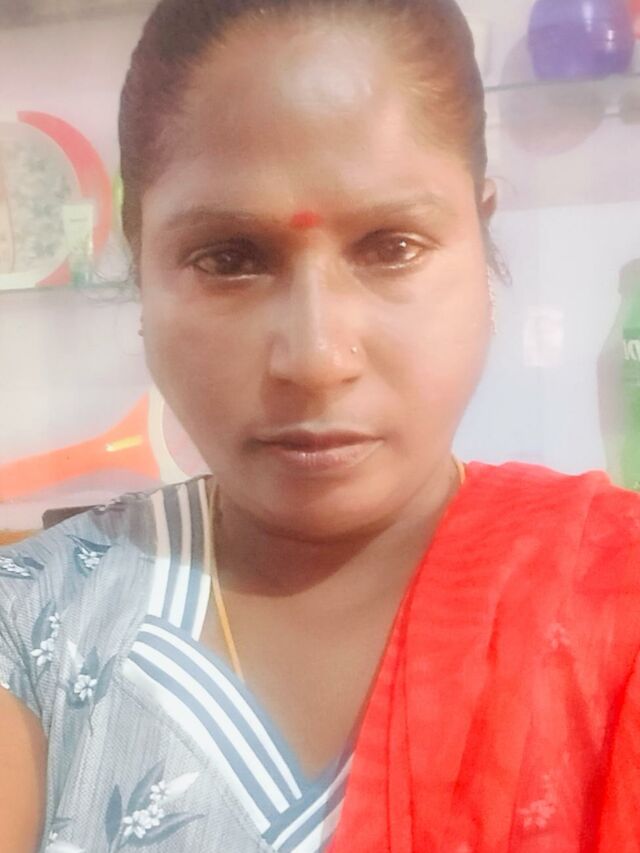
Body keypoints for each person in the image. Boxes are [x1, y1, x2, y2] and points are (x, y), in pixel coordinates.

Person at [1, 0, 639, 850]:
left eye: (392, 246)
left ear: (481, 244)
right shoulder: (36, 622)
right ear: (140, 261)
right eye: (229, 258)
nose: (315, 357)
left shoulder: (614, 600)